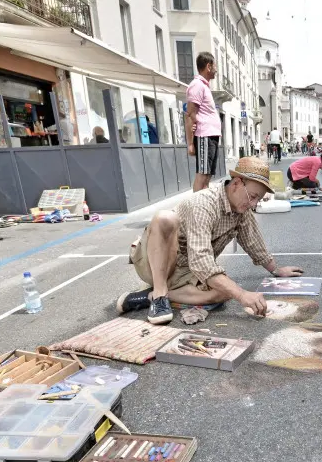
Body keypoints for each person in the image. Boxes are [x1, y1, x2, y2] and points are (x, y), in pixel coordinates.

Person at [117, 157, 305, 324]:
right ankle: (159, 295)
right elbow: (202, 262)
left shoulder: (241, 209)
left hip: (186, 271)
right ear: (237, 183)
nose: (254, 204)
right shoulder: (203, 204)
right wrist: (243, 295)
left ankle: (146, 296)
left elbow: (253, 242)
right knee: (165, 218)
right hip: (157, 262)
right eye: (253, 196)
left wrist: (276, 270)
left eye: (258, 199)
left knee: (225, 291)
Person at [185, 52, 222, 192]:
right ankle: (197, 208)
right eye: (215, 66)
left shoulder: (204, 86)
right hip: (204, 135)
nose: (216, 70)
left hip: (211, 136)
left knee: (207, 175)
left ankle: (204, 206)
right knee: (202, 174)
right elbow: (189, 115)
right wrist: (190, 144)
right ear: (208, 66)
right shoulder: (197, 85)